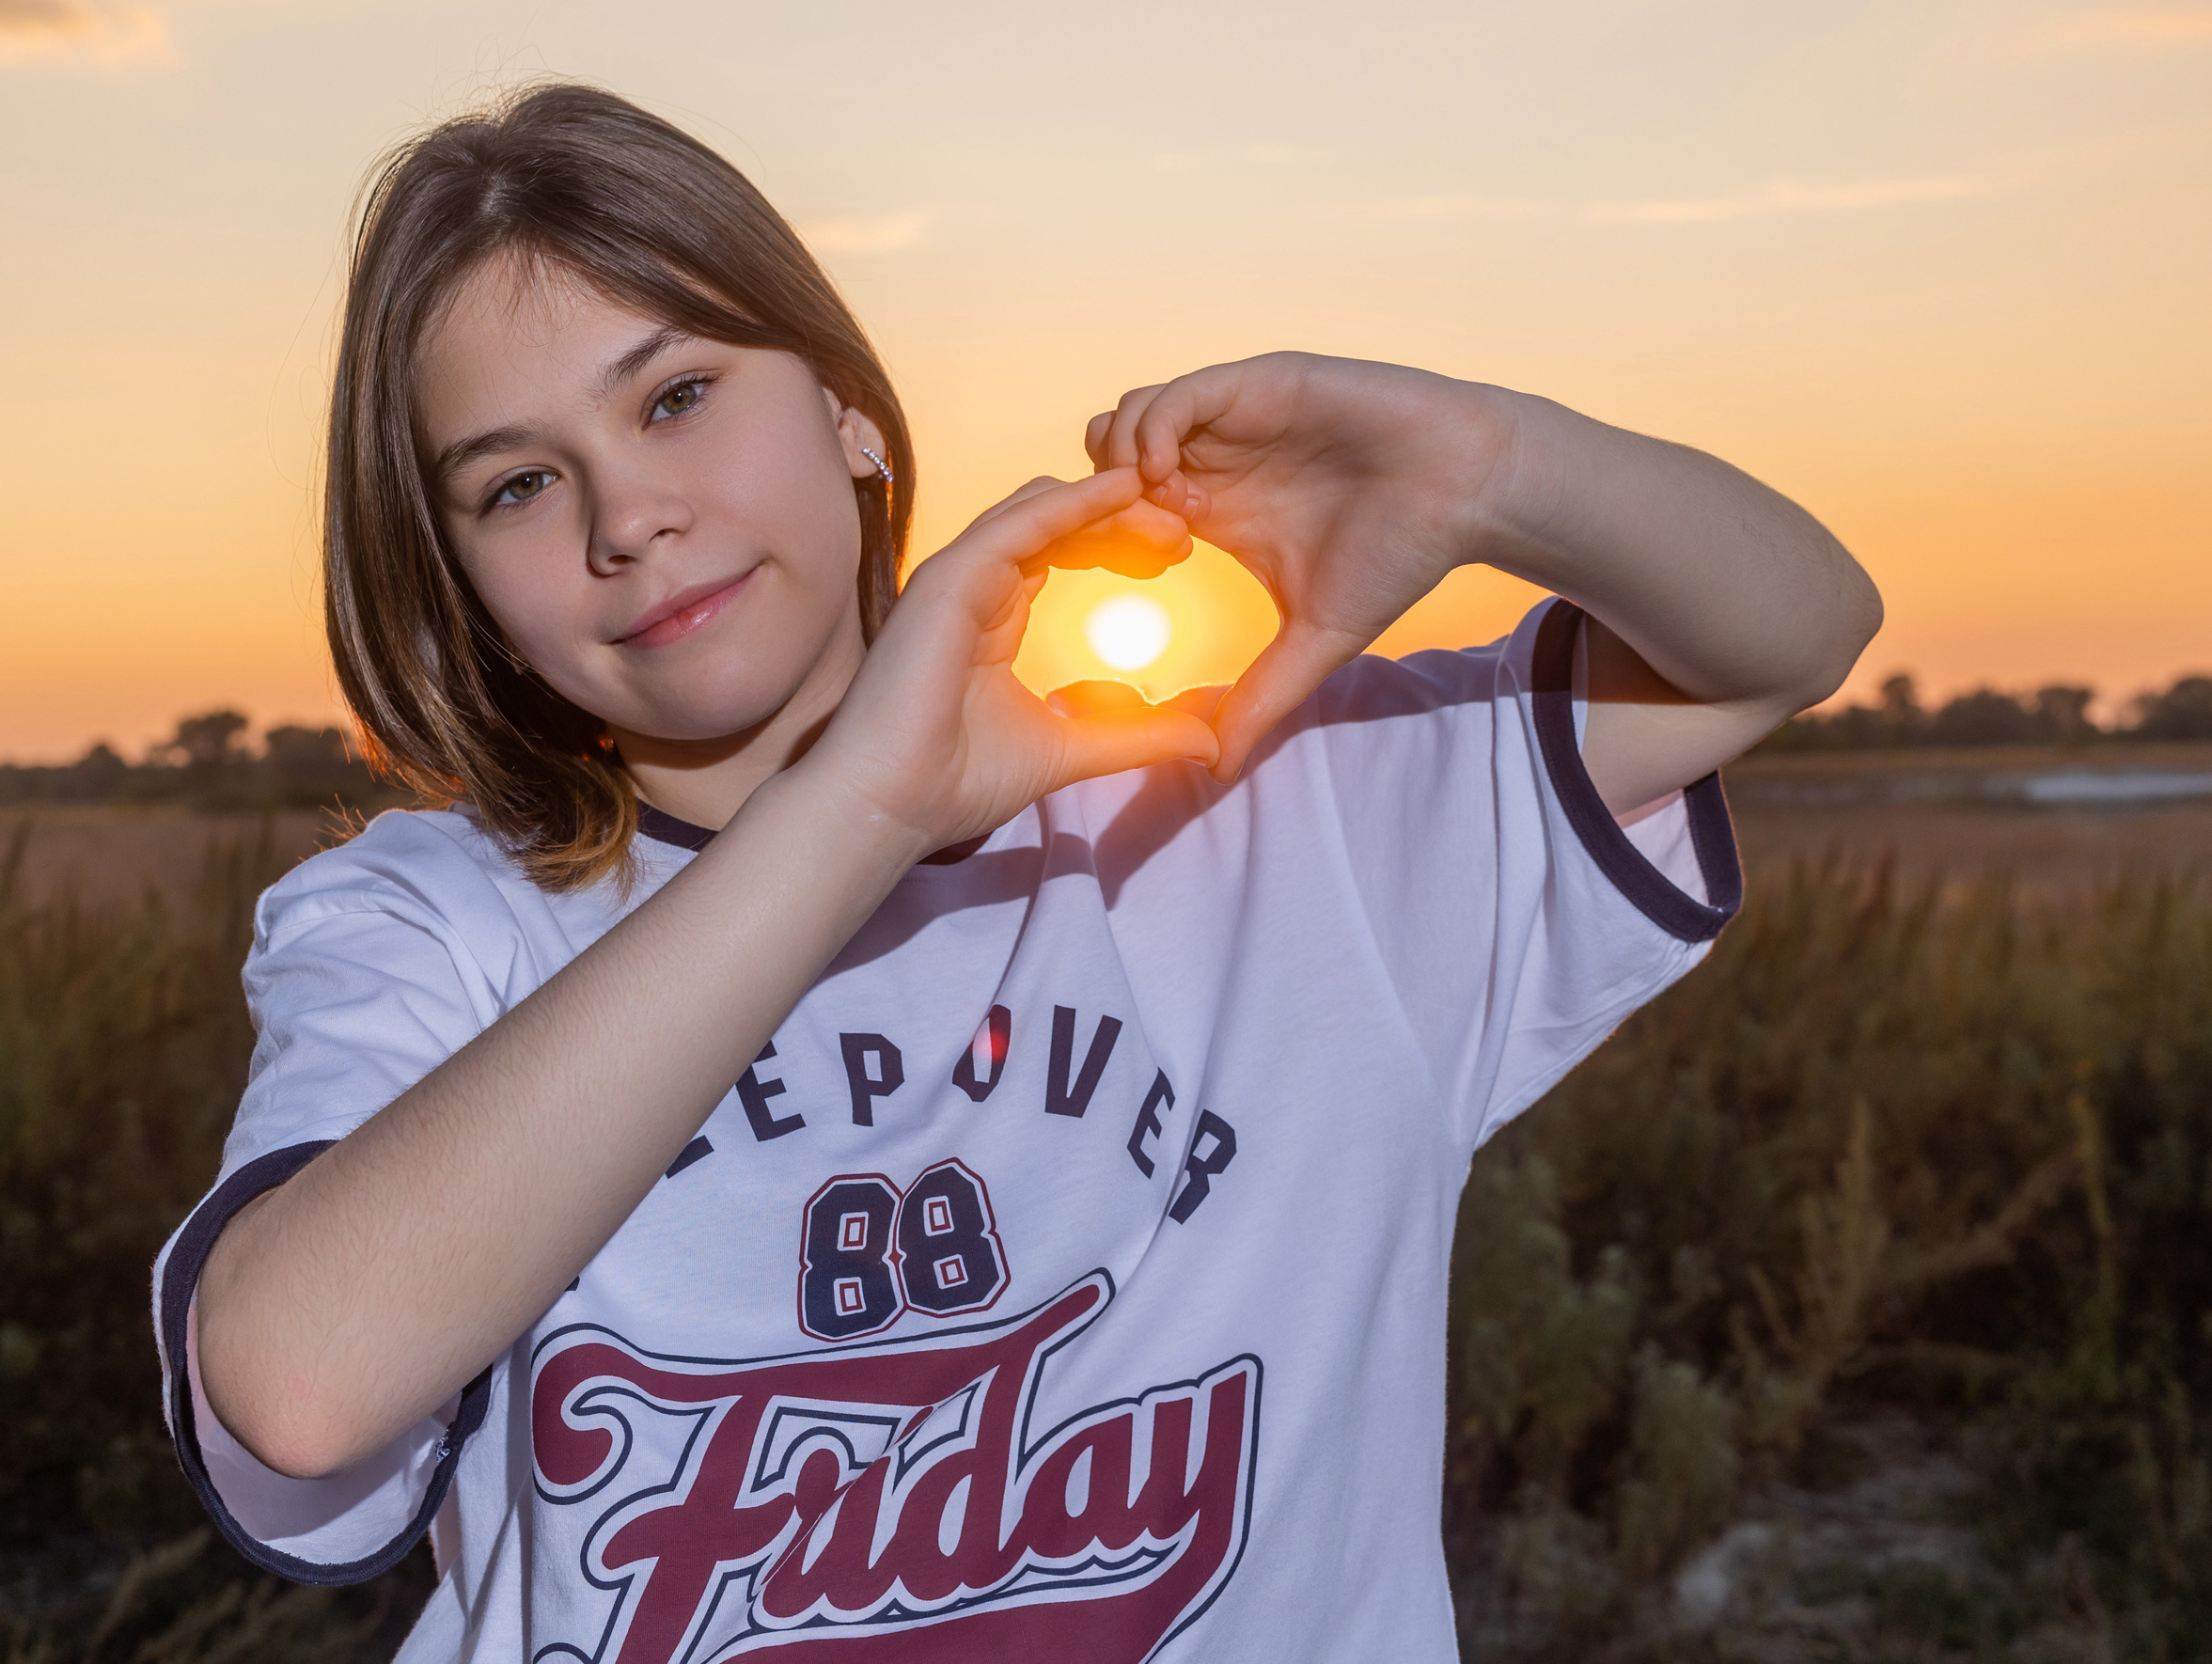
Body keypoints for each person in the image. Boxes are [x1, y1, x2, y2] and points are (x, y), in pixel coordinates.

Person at [150, 81, 1879, 1664]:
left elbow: (1785, 638)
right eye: (519, 485)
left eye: (678, 394)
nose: (627, 518)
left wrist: (1492, 468)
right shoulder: (429, 920)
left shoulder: (1272, 806)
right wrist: (860, 815)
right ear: (458, 586)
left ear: (845, 409)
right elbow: (302, 1383)